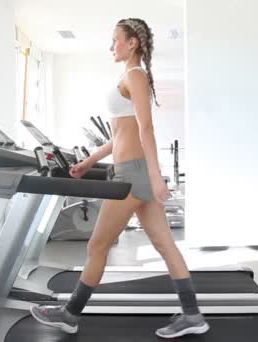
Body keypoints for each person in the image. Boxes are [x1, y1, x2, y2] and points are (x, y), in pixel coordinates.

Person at [30, 18, 209, 339]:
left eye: (115, 40)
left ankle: (70, 314)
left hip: (133, 174)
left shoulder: (135, 76)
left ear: (132, 43)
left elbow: (146, 129)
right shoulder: (129, 77)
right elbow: (119, 135)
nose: (111, 46)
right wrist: (88, 161)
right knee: (165, 244)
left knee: (98, 244)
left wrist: (156, 178)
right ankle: (192, 314)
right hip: (130, 171)